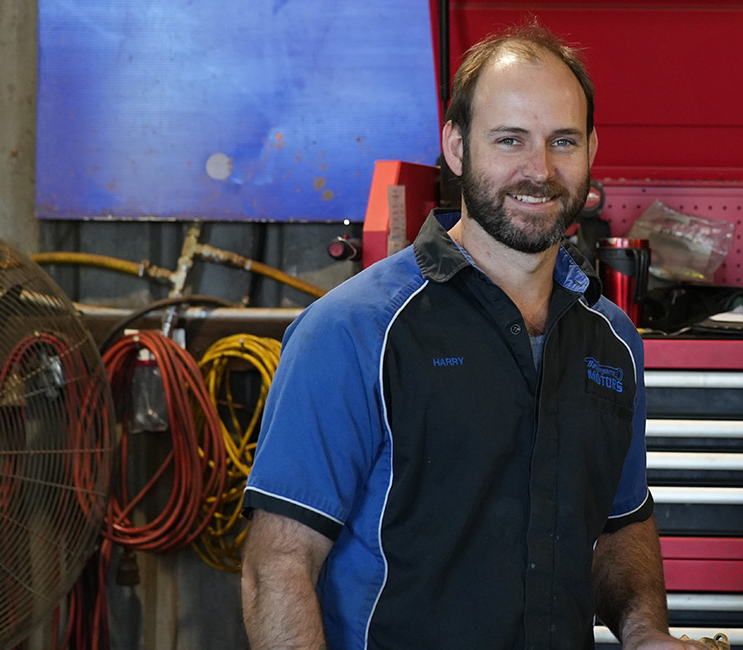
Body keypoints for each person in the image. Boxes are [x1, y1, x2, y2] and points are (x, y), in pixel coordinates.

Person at [240, 23, 699, 650]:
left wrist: (646, 633)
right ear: (457, 147)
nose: (539, 171)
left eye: (562, 141)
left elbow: (622, 522)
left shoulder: (610, 340)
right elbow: (278, 568)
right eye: (510, 140)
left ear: (591, 147)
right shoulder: (354, 332)